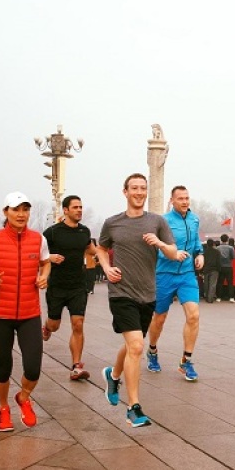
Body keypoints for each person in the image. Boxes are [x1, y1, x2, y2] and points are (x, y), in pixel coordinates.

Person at [96, 173, 178, 428]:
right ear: (125, 192)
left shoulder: (157, 222)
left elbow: (174, 253)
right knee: (136, 347)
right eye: (134, 188)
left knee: (135, 345)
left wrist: (160, 243)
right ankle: (133, 407)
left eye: (143, 188)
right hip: (121, 293)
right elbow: (100, 248)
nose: (139, 192)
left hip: (148, 293)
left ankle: (114, 374)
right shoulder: (113, 223)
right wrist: (107, 268)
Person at [0, 192, 50, 432]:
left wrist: (43, 277)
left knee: (33, 367)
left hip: (29, 312)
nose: (21, 214)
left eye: (25, 209)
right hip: (0, 314)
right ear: (6, 212)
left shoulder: (38, 239)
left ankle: (24, 396)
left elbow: (45, 262)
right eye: (16, 209)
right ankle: (3, 408)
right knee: (3, 367)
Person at [147, 185, 204, 382]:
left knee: (194, 315)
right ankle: (152, 350)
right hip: (165, 274)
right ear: (172, 201)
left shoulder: (194, 219)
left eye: (187, 198)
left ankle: (186, 361)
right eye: (180, 198)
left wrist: (200, 255)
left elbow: (196, 241)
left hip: (187, 275)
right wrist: (172, 253)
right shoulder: (163, 221)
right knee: (159, 318)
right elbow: (157, 246)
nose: (185, 202)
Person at [42, 195, 96, 381]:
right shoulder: (52, 232)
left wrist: (105, 255)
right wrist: (50, 257)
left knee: (78, 324)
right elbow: (37, 252)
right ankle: (47, 327)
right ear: (65, 210)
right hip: (57, 286)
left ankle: (76, 366)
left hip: (78, 286)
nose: (79, 210)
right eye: (75, 207)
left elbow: (91, 249)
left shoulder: (84, 231)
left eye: (81, 207)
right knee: (54, 325)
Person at [216, 234, 235, 302]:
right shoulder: (231, 248)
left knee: (220, 282)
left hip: (221, 267)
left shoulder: (217, 248)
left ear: (221, 239)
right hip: (229, 266)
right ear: (227, 239)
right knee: (230, 283)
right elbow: (234, 257)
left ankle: (218, 297)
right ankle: (231, 297)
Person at [201, 239, 221, 303]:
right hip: (214, 270)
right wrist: (219, 269)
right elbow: (218, 261)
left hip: (206, 269)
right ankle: (210, 298)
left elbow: (202, 261)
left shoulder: (204, 252)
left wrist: (201, 270)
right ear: (213, 244)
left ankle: (207, 297)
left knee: (206, 284)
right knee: (212, 284)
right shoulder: (217, 252)